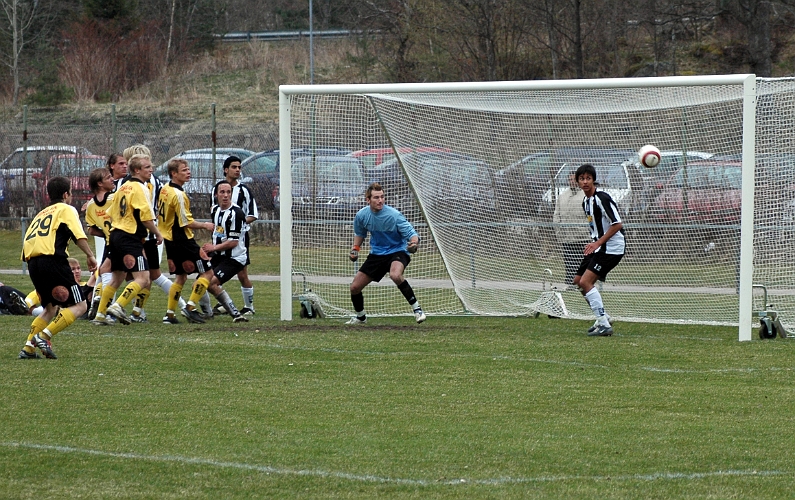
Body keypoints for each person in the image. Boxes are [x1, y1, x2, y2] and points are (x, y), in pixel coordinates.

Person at [18, 176, 97, 359]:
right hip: (52, 260)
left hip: (32, 262)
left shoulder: (41, 213)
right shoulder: (66, 209)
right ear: (65, 194)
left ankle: (28, 349)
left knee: (50, 308)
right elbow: (79, 235)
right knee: (81, 305)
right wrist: (90, 256)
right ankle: (44, 336)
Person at [92, 154, 163, 325]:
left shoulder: (122, 187)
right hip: (129, 236)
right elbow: (146, 217)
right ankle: (118, 306)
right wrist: (157, 233)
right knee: (143, 278)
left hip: (116, 234)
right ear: (137, 170)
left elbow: (111, 213)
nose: (151, 170)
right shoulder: (141, 188)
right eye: (147, 167)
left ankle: (100, 315)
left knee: (117, 277)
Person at [346, 182, 425, 324]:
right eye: (376, 197)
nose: (380, 200)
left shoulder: (394, 215)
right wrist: (355, 249)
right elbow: (360, 233)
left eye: (382, 197)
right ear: (368, 200)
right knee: (355, 287)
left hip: (397, 251)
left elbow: (412, 234)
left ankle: (417, 310)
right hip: (377, 254)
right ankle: (361, 317)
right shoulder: (362, 216)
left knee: (395, 275)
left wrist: (413, 244)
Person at [158, 158, 216, 324]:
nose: (188, 172)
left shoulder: (165, 189)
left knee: (181, 277)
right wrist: (205, 225)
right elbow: (186, 222)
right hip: (182, 238)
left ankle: (169, 314)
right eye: (184, 170)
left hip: (169, 238)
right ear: (173, 173)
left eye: (188, 169)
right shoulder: (179, 194)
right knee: (208, 272)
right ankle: (190, 308)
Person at [572, 164, 625, 337]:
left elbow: (617, 224)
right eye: (582, 179)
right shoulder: (586, 202)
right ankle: (603, 316)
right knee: (578, 281)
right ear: (577, 182)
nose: (585, 181)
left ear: (594, 180)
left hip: (611, 248)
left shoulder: (602, 198)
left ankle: (603, 323)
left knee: (586, 282)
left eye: (588, 178)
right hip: (599, 246)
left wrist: (598, 243)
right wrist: (594, 242)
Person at [211, 155, 258, 316]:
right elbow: (216, 213)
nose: (237, 170)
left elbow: (253, 214)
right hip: (219, 238)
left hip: (238, 239)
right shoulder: (216, 189)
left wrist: (236, 223)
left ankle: (249, 307)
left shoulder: (244, 191)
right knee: (213, 273)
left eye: (239, 167)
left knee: (242, 273)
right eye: (234, 167)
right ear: (225, 170)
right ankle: (223, 303)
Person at [201, 180, 251, 323]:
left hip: (235, 258)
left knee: (211, 283)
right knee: (199, 283)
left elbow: (233, 242)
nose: (226, 195)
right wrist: (210, 250)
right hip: (219, 255)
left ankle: (236, 314)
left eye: (228, 192)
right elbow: (219, 233)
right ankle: (206, 313)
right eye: (222, 192)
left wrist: (213, 248)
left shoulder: (237, 213)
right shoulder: (215, 210)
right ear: (216, 194)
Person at [84, 167, 116, 319]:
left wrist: (104, 233)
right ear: (100, 183)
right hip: (122, 241)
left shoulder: (90, 205)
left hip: (110, 242)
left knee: (104, 272)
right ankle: (108, 310)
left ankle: (97, 302)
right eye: (108, 177)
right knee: (113, 275)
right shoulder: (114, 198)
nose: (112, 179)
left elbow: (91, 230)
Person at [553, 171, 591, 285]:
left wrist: (588, 230)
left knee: (582, 262)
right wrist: (559, 232)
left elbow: (591, 216)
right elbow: (556, 215)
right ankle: (570, 283)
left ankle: (582, 283)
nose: (571, 182)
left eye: (573, 180)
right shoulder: (562, 196)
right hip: (566, 237)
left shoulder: (586, 196)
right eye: (569, 180)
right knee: (569, 262)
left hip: (582, 238)